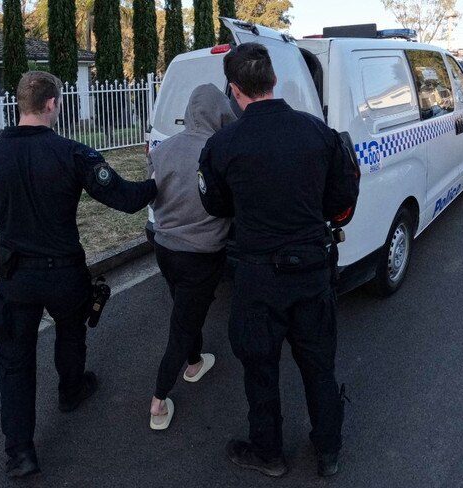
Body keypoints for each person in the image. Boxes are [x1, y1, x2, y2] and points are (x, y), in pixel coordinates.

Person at [0, 71, 157, 478]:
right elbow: (126, 199)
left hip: (16, 279)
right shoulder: (73, 153)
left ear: (20, 105)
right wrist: (158, 183)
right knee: (71, 331)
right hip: (64, 274)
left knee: (15, 363)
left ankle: (20, 453)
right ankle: (71, 391)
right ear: (52, 104)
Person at [197, 43, 359, 478]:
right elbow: (343, 198)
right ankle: (329, 451)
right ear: (273, 82)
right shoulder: (318, 133)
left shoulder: (221, 144)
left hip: (257, 278)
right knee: (318, 366)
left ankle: (268, 453)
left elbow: (215, 205)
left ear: (234, 90)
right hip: (311, 270)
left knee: (260, 369)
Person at [146, 84, 236, 430]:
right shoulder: (219, 152)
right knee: (181, 326)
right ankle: (158, 400)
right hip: (202, 255)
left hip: (165, 249)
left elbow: (154, 197)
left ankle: (196, 362)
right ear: (219, 111)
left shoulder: (163, 148)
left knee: (186, 310)